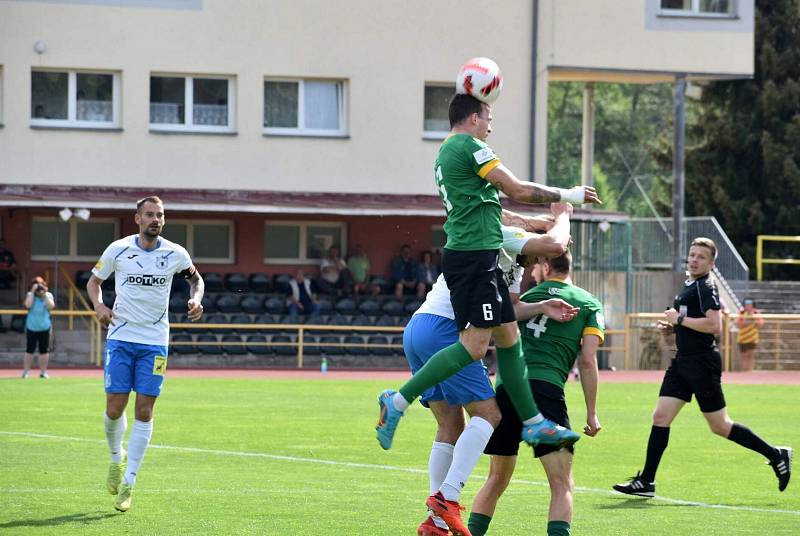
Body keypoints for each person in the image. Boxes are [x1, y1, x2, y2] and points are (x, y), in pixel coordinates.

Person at [376, 93, 599, 460]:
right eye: (489, 115)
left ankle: (532, 421)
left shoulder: (453, 153)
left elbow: (505, 212)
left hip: (477, 256)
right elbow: (517, 190)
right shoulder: (467, 145)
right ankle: (397, 400)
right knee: (475, 348)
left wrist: (547, 220)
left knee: (509, 338)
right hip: (473, 258)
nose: (492, 124)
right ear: (474, 118)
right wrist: (568, 196)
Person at [410, 206, 579, 536]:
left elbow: (510, 309)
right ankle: (448, 499)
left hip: (420, 327)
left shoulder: (510, 263)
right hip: (447, 330)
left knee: (450, 423)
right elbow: (553, 243)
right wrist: (563, 212)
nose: (535, 266)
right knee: (489, 414)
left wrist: (542, 306)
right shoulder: (505, 237)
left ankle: (437, 520)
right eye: (534, 258)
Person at [613, 237, 792, 498]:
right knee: (660, 417)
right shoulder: (689, 285)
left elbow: (713, 326)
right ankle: (646, 482)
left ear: (711, 263)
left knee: (719, 425)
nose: (694, 259)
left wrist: (680, 319)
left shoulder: (706, 287)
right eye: (692, 254)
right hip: (682, 361)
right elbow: (686, 325)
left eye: (701, 257)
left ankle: (776, 455)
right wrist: (672, 329)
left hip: (701, 363)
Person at [469, 249, 604, 536]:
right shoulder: (589, 303)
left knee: (496, 478)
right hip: (545, 392)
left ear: (544, 266)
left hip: (506, 390)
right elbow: (588, 361)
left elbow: (498, 322)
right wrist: (592, 413)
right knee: (561, 482)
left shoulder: (527, 298)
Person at [87, 196, 204, 512]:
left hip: (154, 341)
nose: (156, 219)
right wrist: (98, 305)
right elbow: (94, 282)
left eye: (161, 215)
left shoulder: (175, 253)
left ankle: (130, 482)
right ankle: (115, 459)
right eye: (150, 214)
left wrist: (196, 299)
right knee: (114, 407)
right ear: (137, 218)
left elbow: (196, 279)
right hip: (121, 337)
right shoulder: (118, 249)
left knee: (144, 411)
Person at [22, 276, 55, 379]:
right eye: (36, 284)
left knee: (44, 350)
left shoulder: (48, 295)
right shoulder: (30, 295)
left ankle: (43, 372)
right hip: (32, 326)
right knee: (29, 350)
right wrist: (32, 292)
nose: (38, 287)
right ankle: (26, 372)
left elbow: (51, 306)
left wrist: (44, 294)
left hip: (44, 327)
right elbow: (28, 305)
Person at [736, 298, 764, 372]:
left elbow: (760, 324)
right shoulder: (742, 313)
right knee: (743, 355)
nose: (748, 306)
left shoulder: (756, 313)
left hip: (752, 337)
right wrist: (750, 321)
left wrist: (752, 318)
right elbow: (739, 324)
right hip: (742, 337)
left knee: (750, 355)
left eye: (750, 304)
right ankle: (744, 371)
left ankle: (749, 371)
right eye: (746, 304)